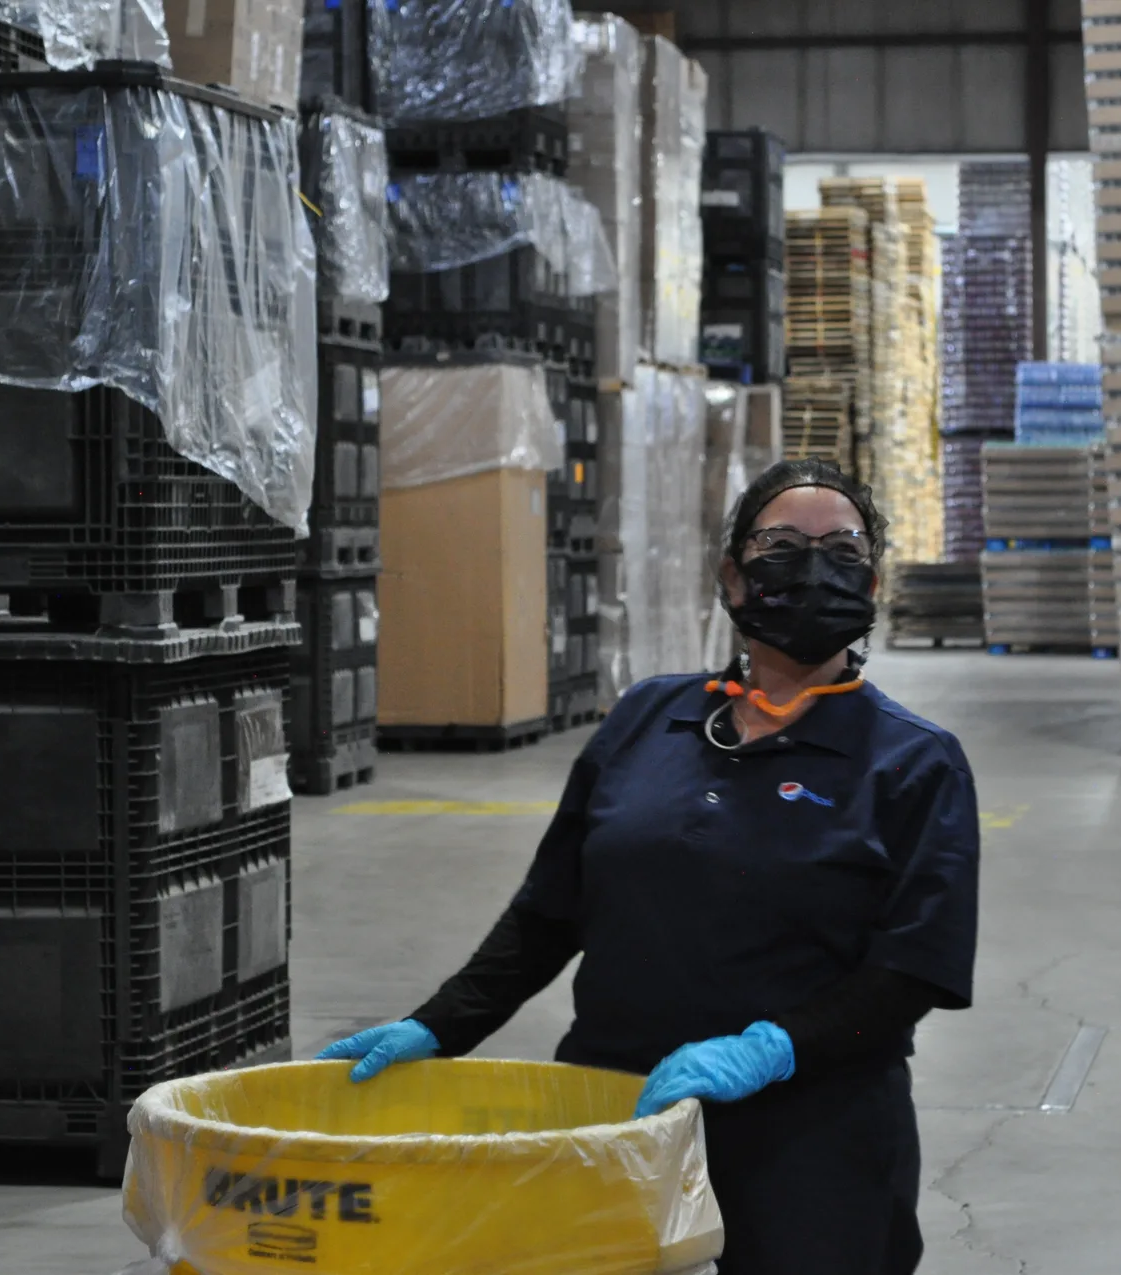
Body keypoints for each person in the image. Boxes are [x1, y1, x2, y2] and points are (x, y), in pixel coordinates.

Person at [320, 459, 981, 1275]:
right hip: (619, 1107)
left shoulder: (913, 761)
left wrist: (769, 1048)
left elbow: (913, 969)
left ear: (871, 583)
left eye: (841, 550)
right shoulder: (647, 716)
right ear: (733, 576)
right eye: (781, 545)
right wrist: (440, 1024)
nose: (812, 569)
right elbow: (550, 909)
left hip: (813, 1131)